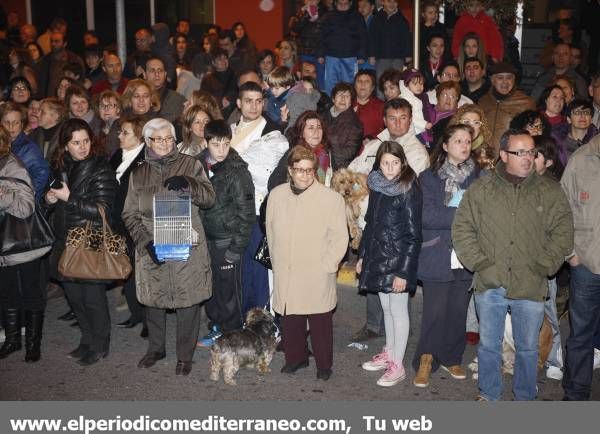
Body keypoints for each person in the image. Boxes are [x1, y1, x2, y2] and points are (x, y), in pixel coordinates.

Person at [452, 129, 574, 401]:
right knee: (489, 346)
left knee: (528, 348)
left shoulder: (549, 190)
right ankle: (489, 394)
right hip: (490, 280)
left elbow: (564, 232)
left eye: (531, 152)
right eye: (520, 152)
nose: (528, 158)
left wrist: (545, 265)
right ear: (504, 155)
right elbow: (462, 229)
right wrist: (481, 264)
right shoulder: (482, 189)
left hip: (531, 282)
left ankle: (524, 397)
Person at [122, 117, 215, 376]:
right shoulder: (138, 173)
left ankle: (185, 356)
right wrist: (145, 242)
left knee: (188, 302)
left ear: (175, 140)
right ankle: (156, 349)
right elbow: (129, 214)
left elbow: (209, 198)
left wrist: (189, 184)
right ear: (148, 141)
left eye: (168, 138)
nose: (163, 143)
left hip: (187, 246)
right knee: (153, 301)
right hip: (153, 244)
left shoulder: (191, 164)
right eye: (157, 139)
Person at [267, 145, 348, 381]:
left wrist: (328, 265)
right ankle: (296, 358)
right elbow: (270, 230)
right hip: (287, 268)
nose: (304, 175)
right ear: (290, 171)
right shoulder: (277, 195)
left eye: (309, 170)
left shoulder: (331, 199)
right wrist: (277, 260)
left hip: (316, 271)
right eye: (299, 170)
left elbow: (340, 237)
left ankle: (324, 365)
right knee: (291, 318)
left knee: (320, 322)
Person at [44, 118, 118, 366]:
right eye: (76, 142)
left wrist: (69, 197)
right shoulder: (59, 165)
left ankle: (100, 344)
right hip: (65, 240)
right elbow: (48, 203)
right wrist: (50, 200)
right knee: (75, 298)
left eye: (86, 141)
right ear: (65, 145)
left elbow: (104, 209)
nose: (82, 147)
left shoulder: (100, 167)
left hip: (91, 238)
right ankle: (87, 340)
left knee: (93, 299)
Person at [412, 124, 480, 388]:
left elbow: (484, 215)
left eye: (468, 141)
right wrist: (464, 216)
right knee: (434, 311)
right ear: (445, 145)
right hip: (437, 251)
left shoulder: (479, 177)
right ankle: (426, 359)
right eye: (458, 140)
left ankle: (452, 357)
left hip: (467, 252)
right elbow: (427, 217)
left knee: (458, 310)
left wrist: (454, 215)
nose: (464, 145)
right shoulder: (429, 178)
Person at [358, 141, 422, 387]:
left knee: (398, 311)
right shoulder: (377, 185)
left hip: (397, 262)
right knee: (386, 309)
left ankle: (398, 365)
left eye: (395, 162)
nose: (391, 167)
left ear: (403, 162)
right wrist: (363, 256)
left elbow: (413, 234)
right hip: (378, 257)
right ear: (379, 163)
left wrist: (403, 272)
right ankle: (389, 353)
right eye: (386, 163)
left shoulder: (408, 188)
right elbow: (370, 224)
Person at [229, 82, 289, 317]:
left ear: (263, 103)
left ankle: (259, 321)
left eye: (258, 101)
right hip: (231, 211)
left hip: (257, 210)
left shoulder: (272, 132)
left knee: (257, 270)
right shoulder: (230, 130)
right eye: (248, 101)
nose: (253, 106)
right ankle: (235, 318)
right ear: (239, 103)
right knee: (234, 268)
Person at [197, 120, 255, 345]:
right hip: (206, 240)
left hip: (227, 240)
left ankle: (232, 335)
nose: (221, 150)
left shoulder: (237, 171)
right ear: (206, 142)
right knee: (211, 288)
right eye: (215, 144)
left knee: (229, 292)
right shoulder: (197, 165)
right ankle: (216, 327)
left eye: (226, 144)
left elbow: (247, 214)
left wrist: (235, 248)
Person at [0, 125, 44, 362]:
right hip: (2, 245)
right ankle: (12, 339)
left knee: (30, 290)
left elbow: (27, 206)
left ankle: (33, 344)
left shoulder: (12, 166)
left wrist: (3, 196)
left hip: (23, 240)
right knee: (6, 292)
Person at [561, 133, 600, 400]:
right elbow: (563, 210)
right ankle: (576, 392)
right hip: (587, 261)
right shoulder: (580, 159)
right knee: (582, 333)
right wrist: (571, 254)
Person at [109, 115, 147, 337]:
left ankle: (148, 321)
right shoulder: (117, 155)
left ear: (139, 136)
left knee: (141, 273)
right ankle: (135, 314)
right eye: (120, 131)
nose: (119, 135)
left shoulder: (145, 159)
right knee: (128, 272)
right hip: (118, 221)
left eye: (125, 132)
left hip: (136, 223)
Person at [479, 62, 535, 155]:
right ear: (492, 80)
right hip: (484, 157)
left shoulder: (526, 103)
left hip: (512, 158)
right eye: (500, 78)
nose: (505, 82)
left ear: (514, 80)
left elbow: (533, 135)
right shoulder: (483, 101)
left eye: (509, 77)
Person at [269, 110, 333, 189]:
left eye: (319, 127)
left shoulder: (325, 154)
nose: (316, 132)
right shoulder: (294, 154)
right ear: (301, 133)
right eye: (311, 128)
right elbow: (274, 182)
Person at [0, 102, 49, 199]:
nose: (11, 127)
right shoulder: (3, 144)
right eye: (7, 122)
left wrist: (24, 199)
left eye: (16, 122)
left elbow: (42, 176)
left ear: (22, 125)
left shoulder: (30, 149)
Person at [318, 0, 367, 96]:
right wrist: (320, 54)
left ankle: (348, 106)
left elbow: (363, 37)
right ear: (335, 4)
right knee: (330, 84)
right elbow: (321, 36)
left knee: (349, 84)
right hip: (331, 56)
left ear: (351, 3)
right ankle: (331, 106)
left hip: (350, 56)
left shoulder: (357, 17)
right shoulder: (328, 17)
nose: (343, 6)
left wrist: (361, 55)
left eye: (346, 4)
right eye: (340, 4)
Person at [367, 0, 412, 82]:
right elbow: (372, 38)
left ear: (397, 3)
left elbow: (406, 38)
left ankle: (396, 95)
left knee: (396, 81)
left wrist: (408, 55)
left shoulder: (402, 20)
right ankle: (380, 95)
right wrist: (371, 55)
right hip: (381, 57)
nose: (392, 4)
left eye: (394, 1)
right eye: (389, 1)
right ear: (383, 2)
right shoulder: (377, 18)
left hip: (398, 57)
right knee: (381, 80)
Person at [322, 82, 363, 169]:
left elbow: (346, 156)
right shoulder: (323, 116)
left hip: (341, 170)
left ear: (351, 102)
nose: (343, 99)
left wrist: (332, 138)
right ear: (333, 99)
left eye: (347, 96)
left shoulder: (355, 125)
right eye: (340, 95)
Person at [551, 99, 598, 168]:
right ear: (569, 119)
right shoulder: (556, 141)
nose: (582, 116)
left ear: (591, 120)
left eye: (586, 113)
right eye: (577, 113)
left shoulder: (596, 142)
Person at [144, 57, 186, 123]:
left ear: (165, 74)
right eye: (152, 70)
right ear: (145, 74)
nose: (157, 74)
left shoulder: (177, 99)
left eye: (160, 70)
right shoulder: (137, 98)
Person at [353, 69, 384, 140]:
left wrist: (372, 139)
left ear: (372, 87)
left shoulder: (381, 106)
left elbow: (387, 131)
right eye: (359, 81)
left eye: (367, 81)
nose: (362, 84)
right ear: (355, 86)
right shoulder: (347, 105)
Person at [95, 90, 122, 156]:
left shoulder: (121, 127)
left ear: (118, 109)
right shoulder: (100, 128)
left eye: (110, 105)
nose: (106, 109)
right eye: (102, 106)